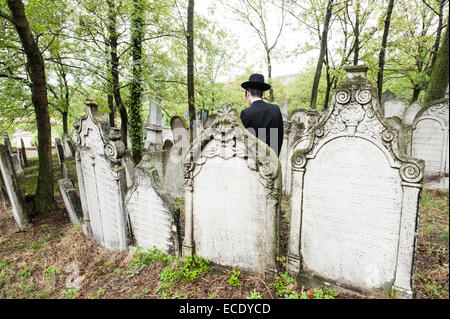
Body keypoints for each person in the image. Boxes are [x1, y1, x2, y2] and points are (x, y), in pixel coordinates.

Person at [240, 73, 284, 156]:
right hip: (272, 159)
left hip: (254, 162)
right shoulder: (275, 109)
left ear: (248, 93)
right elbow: (280, 136)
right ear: (263, 94)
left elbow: (242, 141)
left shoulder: (246, 113)